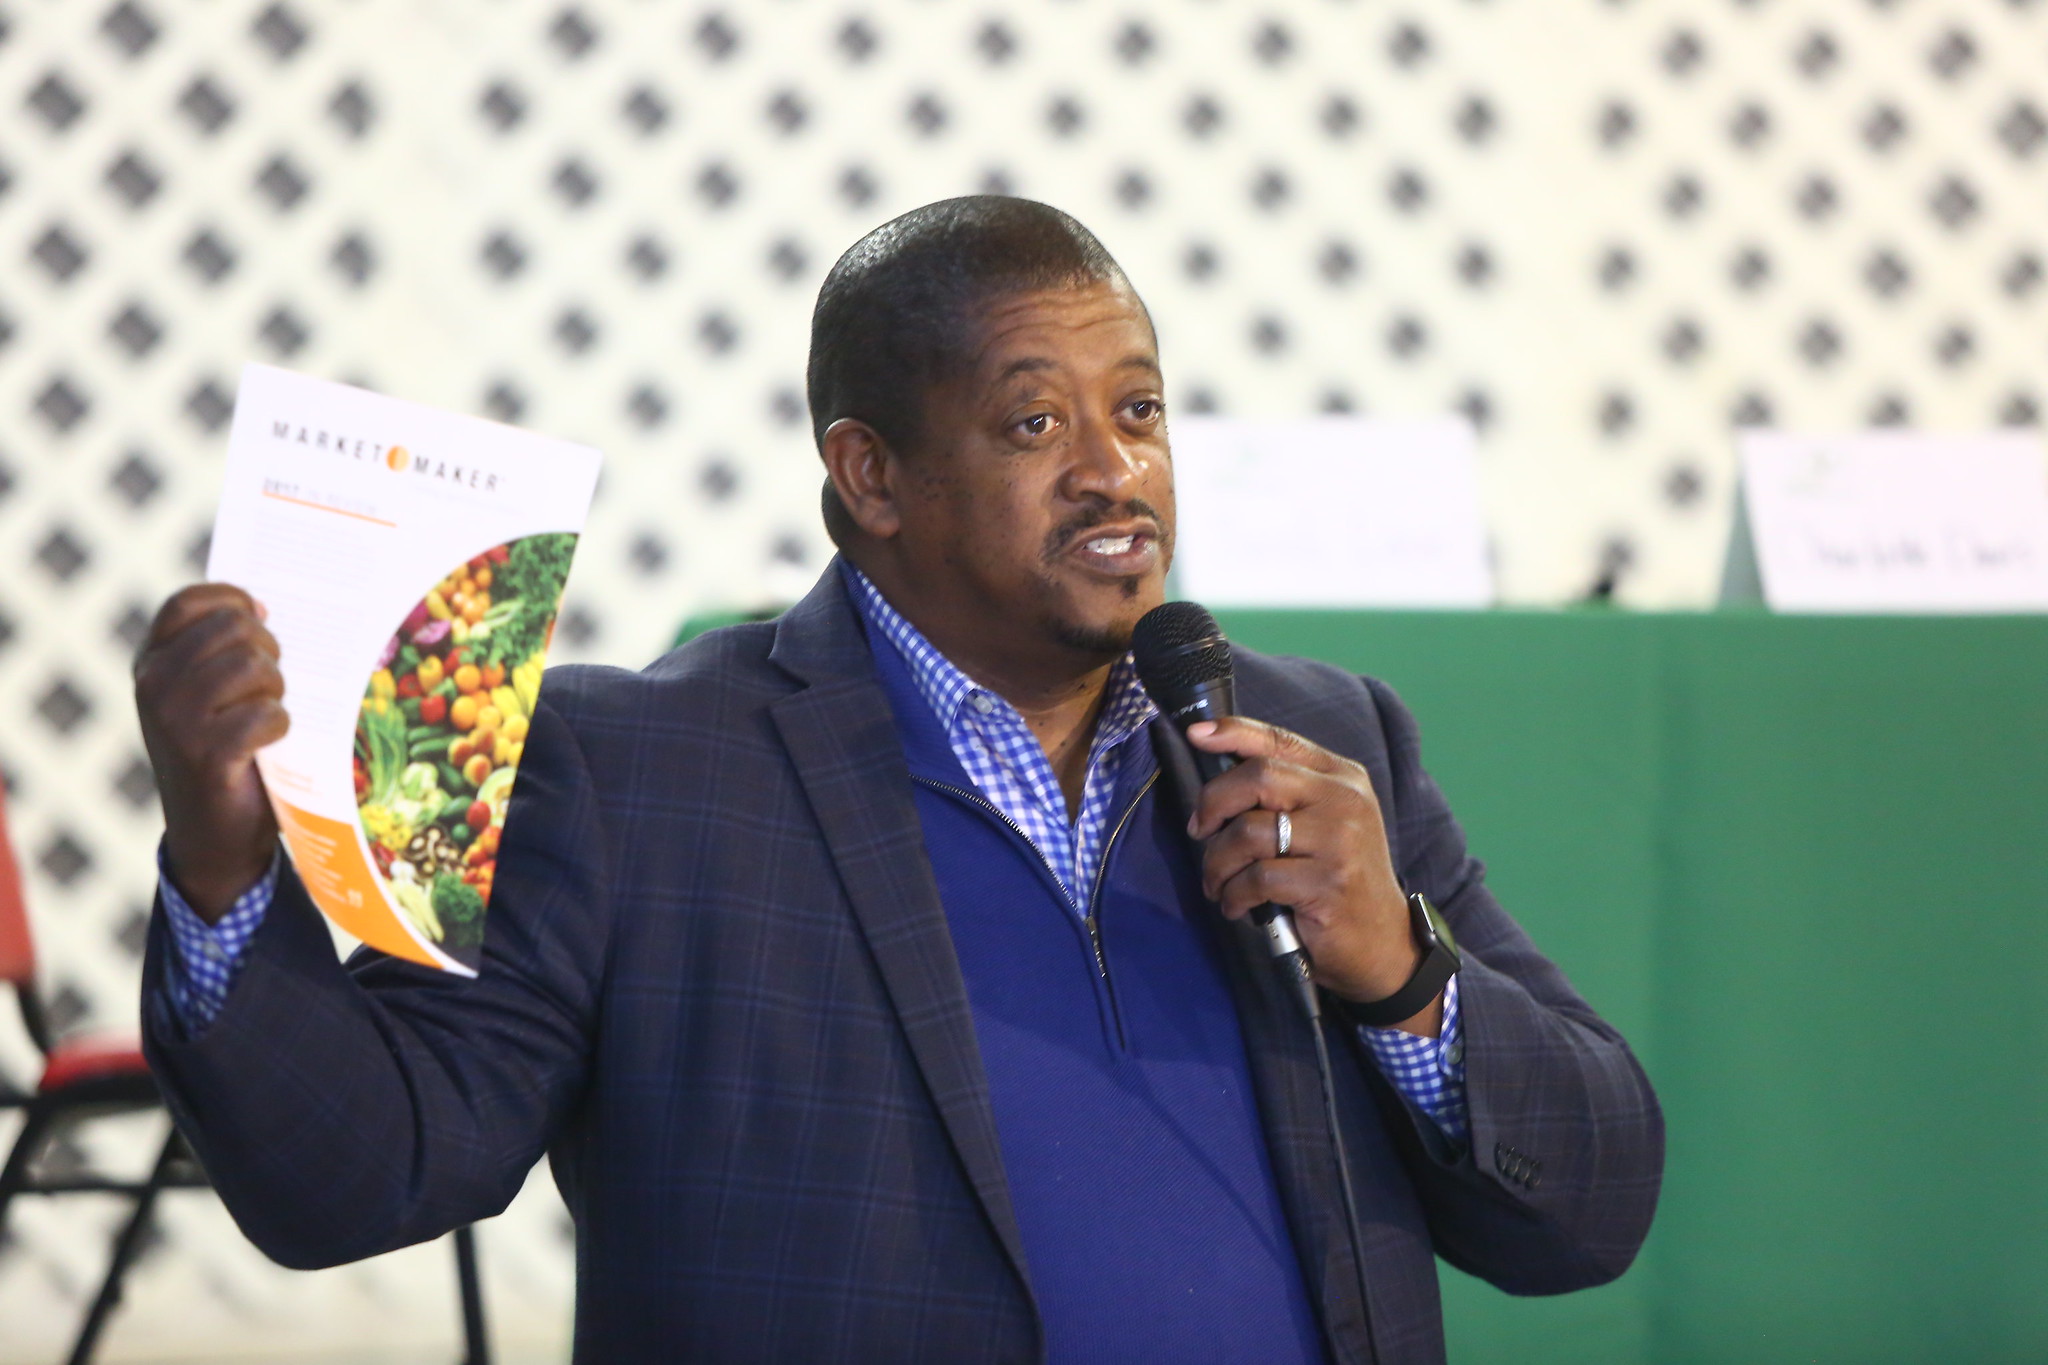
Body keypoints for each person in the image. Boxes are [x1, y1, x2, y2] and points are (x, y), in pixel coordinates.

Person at [135, 197, 1661, 1364]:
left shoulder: (1317, 736)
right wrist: (225, 870)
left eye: (1138, 411)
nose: (1115, 471)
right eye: (1035, 421)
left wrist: (1403, 972)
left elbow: (1589, 1205)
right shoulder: (637, 770)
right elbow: (364, 1165)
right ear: (870, 476)